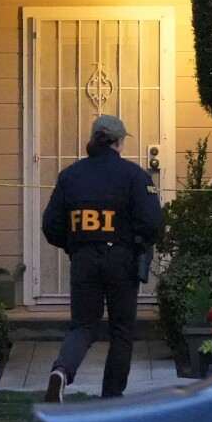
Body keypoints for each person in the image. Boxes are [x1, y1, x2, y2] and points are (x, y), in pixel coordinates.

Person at [41, 114, 163, 402]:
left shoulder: (70, 176)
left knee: (83, 325)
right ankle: (110, 396)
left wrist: (75, 246)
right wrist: (136, 244)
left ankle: (61, 372)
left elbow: (51, 226)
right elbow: (153, 222)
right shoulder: (134, 176)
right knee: (122, 330)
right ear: (119, 143)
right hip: (121, 259)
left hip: (83, 259)